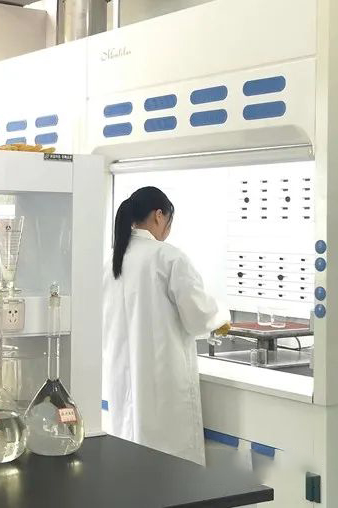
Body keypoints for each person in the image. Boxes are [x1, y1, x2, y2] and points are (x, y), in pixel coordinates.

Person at [101, 186, 229, 466]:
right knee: (170, 469)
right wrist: (222, 316)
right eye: (169, 221)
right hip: (162, 383)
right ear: (159, 215)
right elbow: (198, 314)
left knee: (132, 464)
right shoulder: (168, 257)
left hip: (121, 379)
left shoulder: (111, 260)